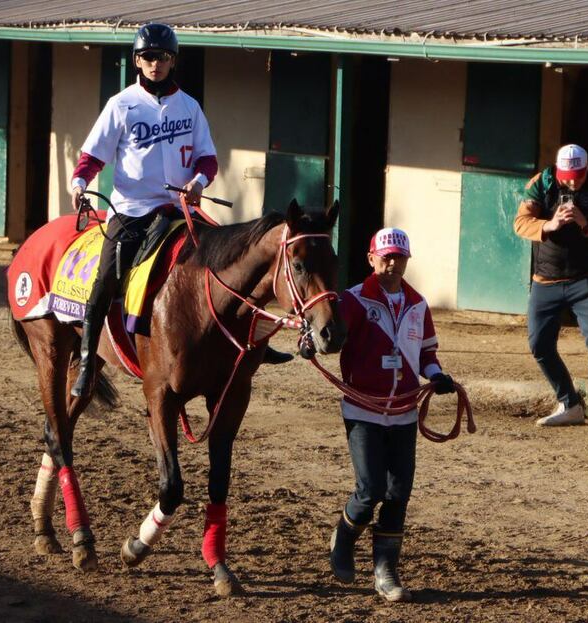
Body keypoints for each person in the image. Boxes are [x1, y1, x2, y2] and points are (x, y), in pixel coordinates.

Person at [69, 23, 290, 398]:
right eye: (149, 57)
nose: (156, 64)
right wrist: (79, 184)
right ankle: (89, 362)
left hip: (180, 210)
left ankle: (256, 344)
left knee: (235, 265)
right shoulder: (121, 105)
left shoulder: (189, 106)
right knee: (106, 279)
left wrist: (198, 184)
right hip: (133, 212)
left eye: (163, 57)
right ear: (138, 61)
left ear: (173, 61)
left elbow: (208, 160)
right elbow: (91, 157)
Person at [328, 227, 456, 603]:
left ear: (406, 260)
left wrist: (436, 376)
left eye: (398, 257)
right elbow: (330, 337)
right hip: (363, 410)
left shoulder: (418, 305)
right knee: (370, 491)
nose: (392, 263)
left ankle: (386, 570)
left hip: (404, 413)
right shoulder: (352, 300)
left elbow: (427, 355)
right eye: (385, 256)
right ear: (371, 259)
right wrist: (311, 343)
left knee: (398, 493)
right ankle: (344, 537)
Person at [514, 144, 588, 432]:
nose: (572, 182)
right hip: (546, 279)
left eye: (578, 175)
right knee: (539, 344)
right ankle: (569, 404)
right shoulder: (543, 182)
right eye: (567, 176)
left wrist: (586, 222)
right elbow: (520, 223)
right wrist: (549, 225)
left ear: (587, 168)